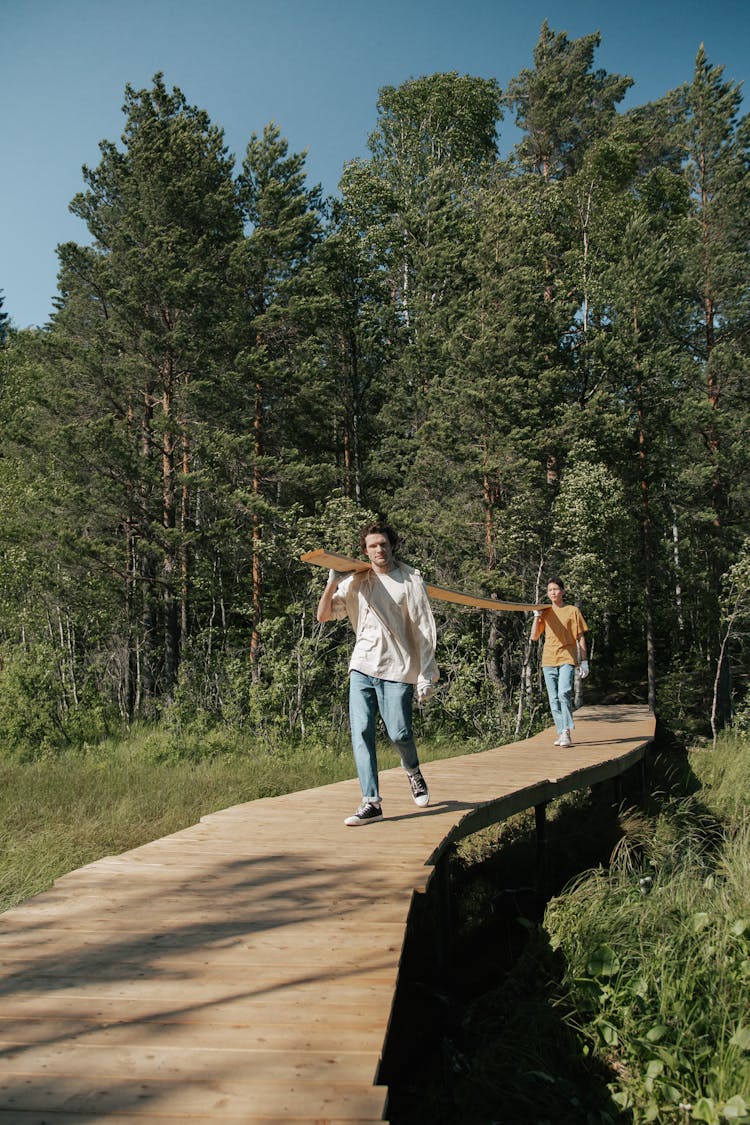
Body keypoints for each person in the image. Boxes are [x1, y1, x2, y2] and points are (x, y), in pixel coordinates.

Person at [317, 522, 439, 826]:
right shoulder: (357, 581)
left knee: (399, 733)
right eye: (373, 546)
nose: (379, 550)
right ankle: (371, 802)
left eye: (383, 544)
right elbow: (323, 616)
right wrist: (332, 582)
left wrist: (426, 674)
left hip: (399, 668)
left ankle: (412, 771)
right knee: (361, 732)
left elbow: (425, 629)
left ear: (391, 545)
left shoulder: (410, 579)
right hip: (362, 666)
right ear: (365, 550)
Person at [530, 578, 589, 748]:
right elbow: (534, 637)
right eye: (550, 590)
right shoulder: (545, 611)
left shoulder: (572, 611)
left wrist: (584, 662)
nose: (553, 592)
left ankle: (566, 731)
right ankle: (562, 732)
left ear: (563, 591)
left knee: (564, 692)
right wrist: (536, 616)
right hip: (548, 660)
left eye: (556, 589)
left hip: (567, 657)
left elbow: (580, 636)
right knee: (553, 698)